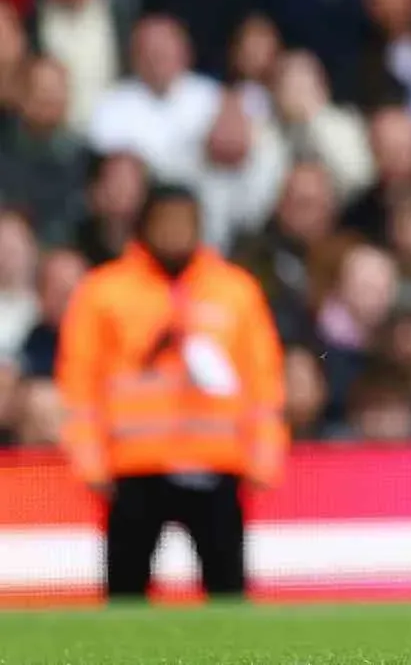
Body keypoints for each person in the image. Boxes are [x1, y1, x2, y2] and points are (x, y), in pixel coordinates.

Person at [55, 185, 286, 601]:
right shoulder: (104, 292)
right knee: (125, 592)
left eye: (186, 222)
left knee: (228, 590)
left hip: (215, 462)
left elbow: (262, 380)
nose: (176, 232)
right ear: (144, 225)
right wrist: (90, 459)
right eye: (167, 221)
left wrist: (263, 454)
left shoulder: (235, 291)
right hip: (135, 464)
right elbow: (80, 384)